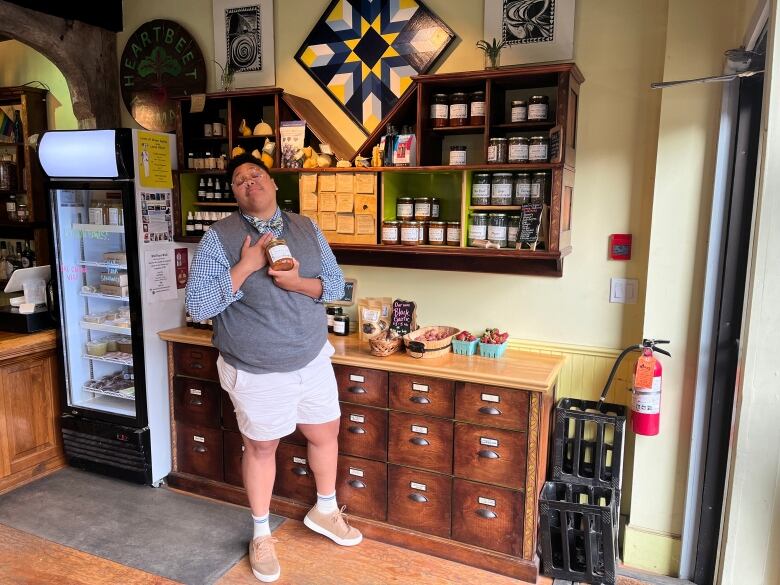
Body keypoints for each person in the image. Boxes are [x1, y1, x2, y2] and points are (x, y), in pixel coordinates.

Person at [185, 153, 361, 583]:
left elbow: (337, 287)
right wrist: (245, 267)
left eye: (256, 175)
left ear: (274, 184)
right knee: (262, 448)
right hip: (257, 366)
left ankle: (323, 510)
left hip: (311, 355)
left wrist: (297, 282)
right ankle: (261, 533)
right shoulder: (218, 237)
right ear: (234, 193)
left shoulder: (306, 227)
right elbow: (199, 305)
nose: (249, 182)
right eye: (240, 180)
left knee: (325, 434)